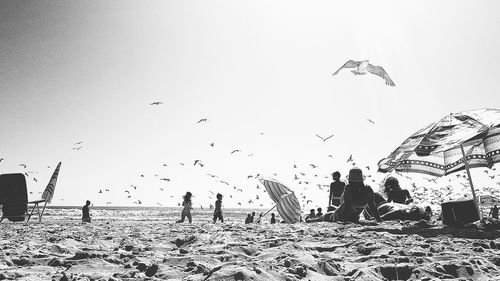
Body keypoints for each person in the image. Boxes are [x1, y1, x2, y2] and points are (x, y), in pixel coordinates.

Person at [309, 168, 382, 223]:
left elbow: (347, 206)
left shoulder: (349, 188)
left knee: (327, 215)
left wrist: (343, 221)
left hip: (340, 216)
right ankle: (316, 219)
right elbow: (373, 207)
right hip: (355, 217)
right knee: (331, 209)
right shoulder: (368, 189)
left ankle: (315, 220)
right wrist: (379, 220)